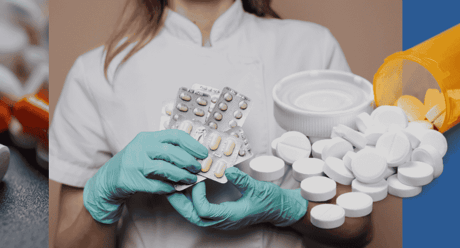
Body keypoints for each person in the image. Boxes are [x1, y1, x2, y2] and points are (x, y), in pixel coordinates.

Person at [51, 0, 373, 247]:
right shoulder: (95, 75)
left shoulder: (312, 50)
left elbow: (359, 227)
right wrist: (104, 192)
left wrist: (285, 207)